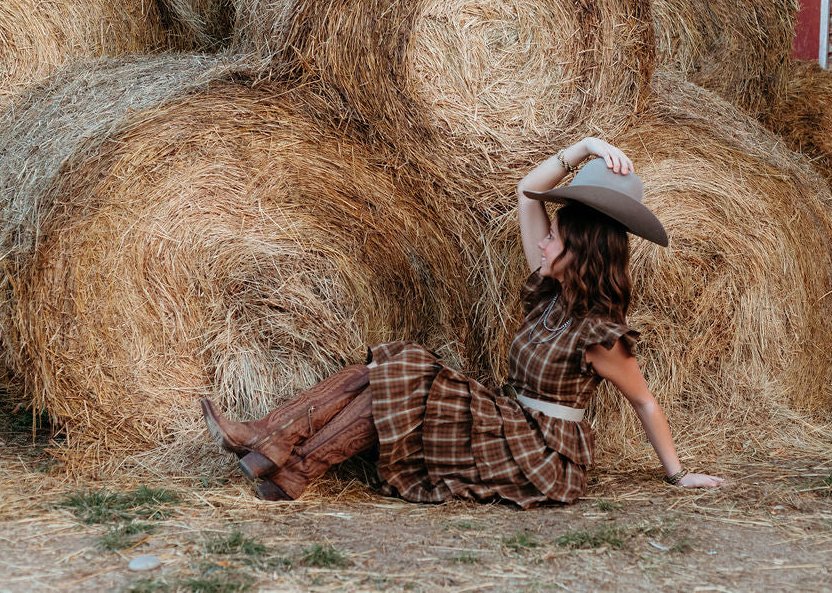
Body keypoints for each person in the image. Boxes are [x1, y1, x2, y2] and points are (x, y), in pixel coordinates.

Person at [201, 138, 724, 507]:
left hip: (542, 453)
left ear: (580, 255)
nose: (544, 241)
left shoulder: (601, 333)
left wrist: (677, 475)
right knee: (389, 369)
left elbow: (644, 401)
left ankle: (281, 458)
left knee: (407, 370)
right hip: (508, 420)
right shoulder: (549, 292)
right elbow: (527, 191)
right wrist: (584, 148)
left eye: (555, 238)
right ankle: (273, 447)